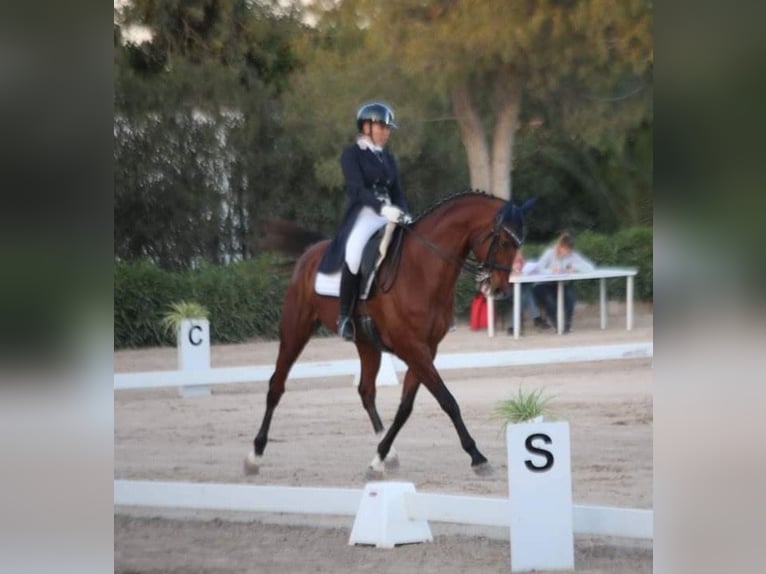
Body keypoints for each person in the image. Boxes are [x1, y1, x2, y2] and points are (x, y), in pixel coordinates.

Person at [318, 102, 413, 342]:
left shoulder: (388, 157)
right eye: (382, 126)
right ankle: (345, 316)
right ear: (366, 126)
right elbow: (357, 189)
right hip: (364, 213)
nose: (386, 131)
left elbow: (397, 190)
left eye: (387, 127)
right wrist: (382, 208)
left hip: (389, 212)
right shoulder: (352, 154)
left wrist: (404, 212)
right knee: (354, 252)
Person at [532, 231, 595, 333]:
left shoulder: (572, 255)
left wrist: (574, 267)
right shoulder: (549, 253)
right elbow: (538, 268)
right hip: (544, 284)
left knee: (570, 298)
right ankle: (557, 325)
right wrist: (551, 271)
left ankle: (567, 325)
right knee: (550, 300)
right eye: (564, 249)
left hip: (562, 284)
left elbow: (590, 268)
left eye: (568, 250)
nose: (566, 252)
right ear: (560, 246)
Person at [500, 249, 550, 335]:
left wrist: (523, 268)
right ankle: (536, 318)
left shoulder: (523, 263)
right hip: (508, 290)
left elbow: (528, 270)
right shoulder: (505, 261)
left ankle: (512, 327)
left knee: (525, 292)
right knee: (526, 293)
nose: (519, 258)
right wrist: (512, 273)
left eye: (520, 256)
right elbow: (502, 277)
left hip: (520, 289)